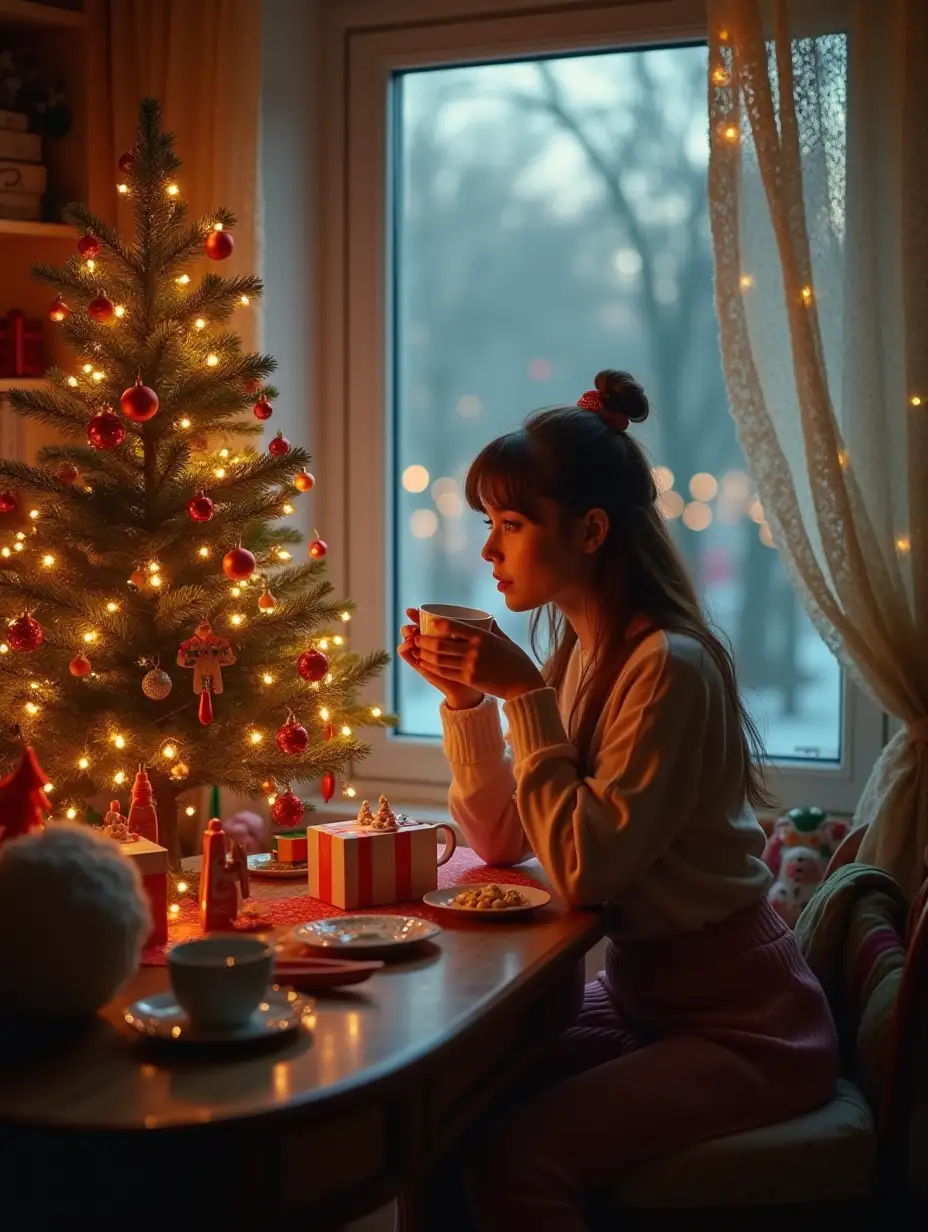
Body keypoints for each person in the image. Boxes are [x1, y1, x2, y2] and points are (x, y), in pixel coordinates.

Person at [397, 370, 838, 1232]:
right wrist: (467, 704)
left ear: (592, 531)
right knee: (440, 1109)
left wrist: (524, 697)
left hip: (748, 1028)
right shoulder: (578, 655)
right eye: (490, 525)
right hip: (650, 1001)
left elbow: (584, 873)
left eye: (512, 526)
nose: (489, 551)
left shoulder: (667, 668)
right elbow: (496, 839)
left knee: (519, 1157)